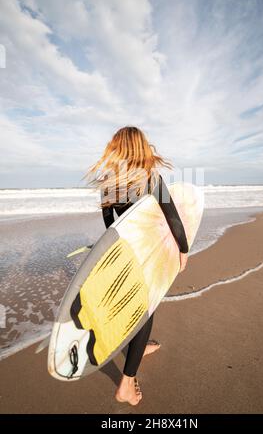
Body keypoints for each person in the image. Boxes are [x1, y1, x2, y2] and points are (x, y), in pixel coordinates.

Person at [84, 126, 189, 406]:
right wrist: (183, 251)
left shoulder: (108, 180)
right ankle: (126, 384)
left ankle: (137, 349)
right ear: (142, 147)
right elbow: (173, 218)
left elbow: (110, 225)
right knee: (145, 308)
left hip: (122, 251)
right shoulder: (151, 178)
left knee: (134, 305)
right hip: (148, 252)